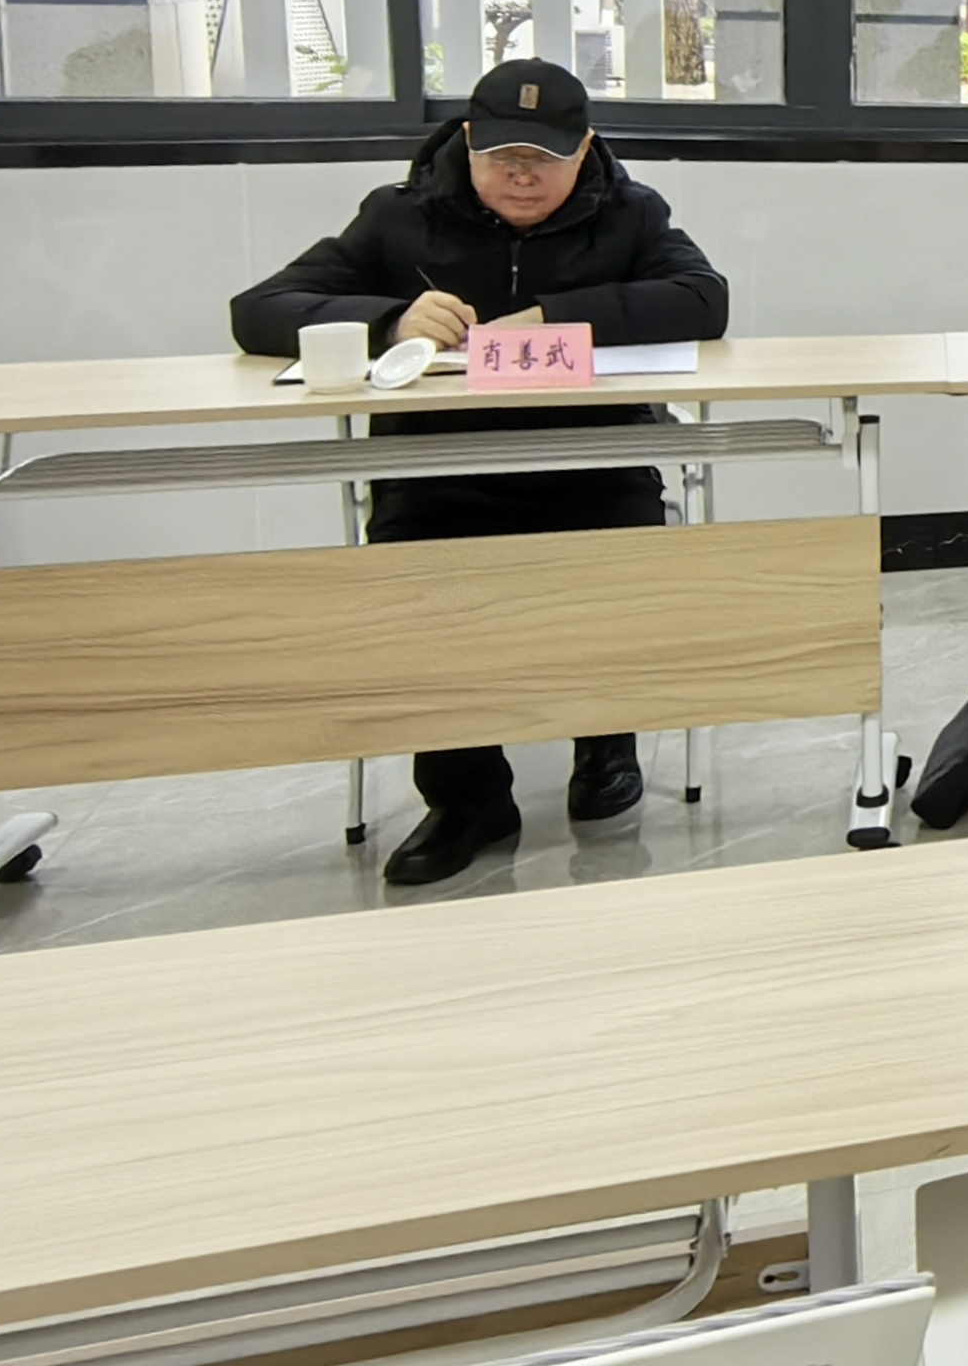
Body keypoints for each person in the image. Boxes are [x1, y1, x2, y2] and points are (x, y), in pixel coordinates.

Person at [228, 59, 730, 887]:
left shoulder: (630, 212)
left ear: (585, 150)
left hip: (590, 464)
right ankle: (467, 798)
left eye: (545, 158)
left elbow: (704, 298)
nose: (522, 175)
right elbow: (259, 309)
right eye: (502, 157)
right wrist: (388, 319)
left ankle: (606, 743)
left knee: (622, 572)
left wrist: (558, 317)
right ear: (466, 143)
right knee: (421, 592)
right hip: (436, 472)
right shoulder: (399, 216)